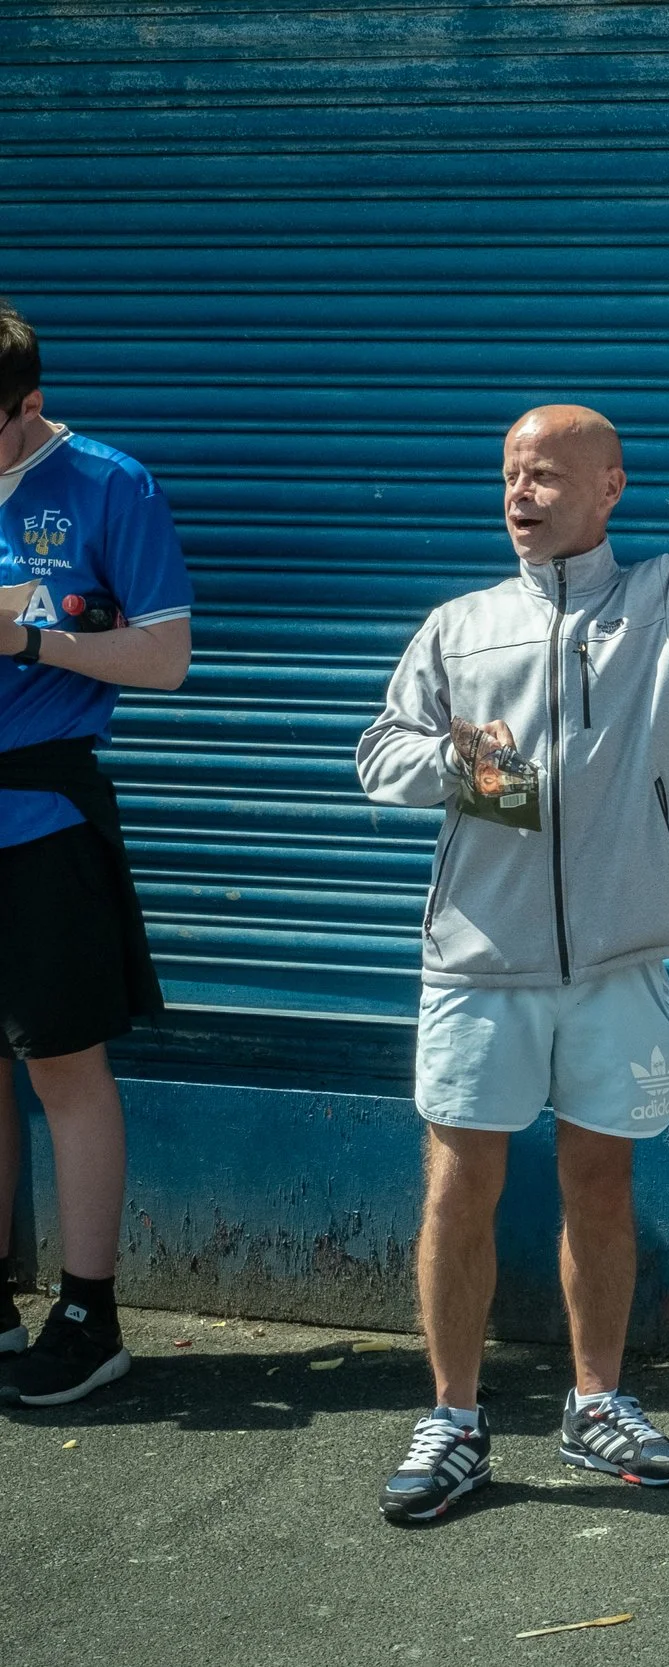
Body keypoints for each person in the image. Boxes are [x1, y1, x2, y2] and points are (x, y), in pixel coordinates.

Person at [355, 278, 669, 1523]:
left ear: (609, 487)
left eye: (549, 471)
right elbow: (379, 751)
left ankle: (596, 1402)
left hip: (617, 962)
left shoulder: (668, 606)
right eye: (509, 470)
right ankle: (450, 1416)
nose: (521, 489)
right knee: (460, 1183)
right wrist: (462, 766)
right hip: (478, 961)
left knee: (602, 1182)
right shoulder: (460, 624)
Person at [0, 298, 196, 1408]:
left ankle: (89, 1309)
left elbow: (167, 656)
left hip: (41, 817)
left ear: (27, 405)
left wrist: (30, 638)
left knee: (62, 1066)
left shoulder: (109, 485)